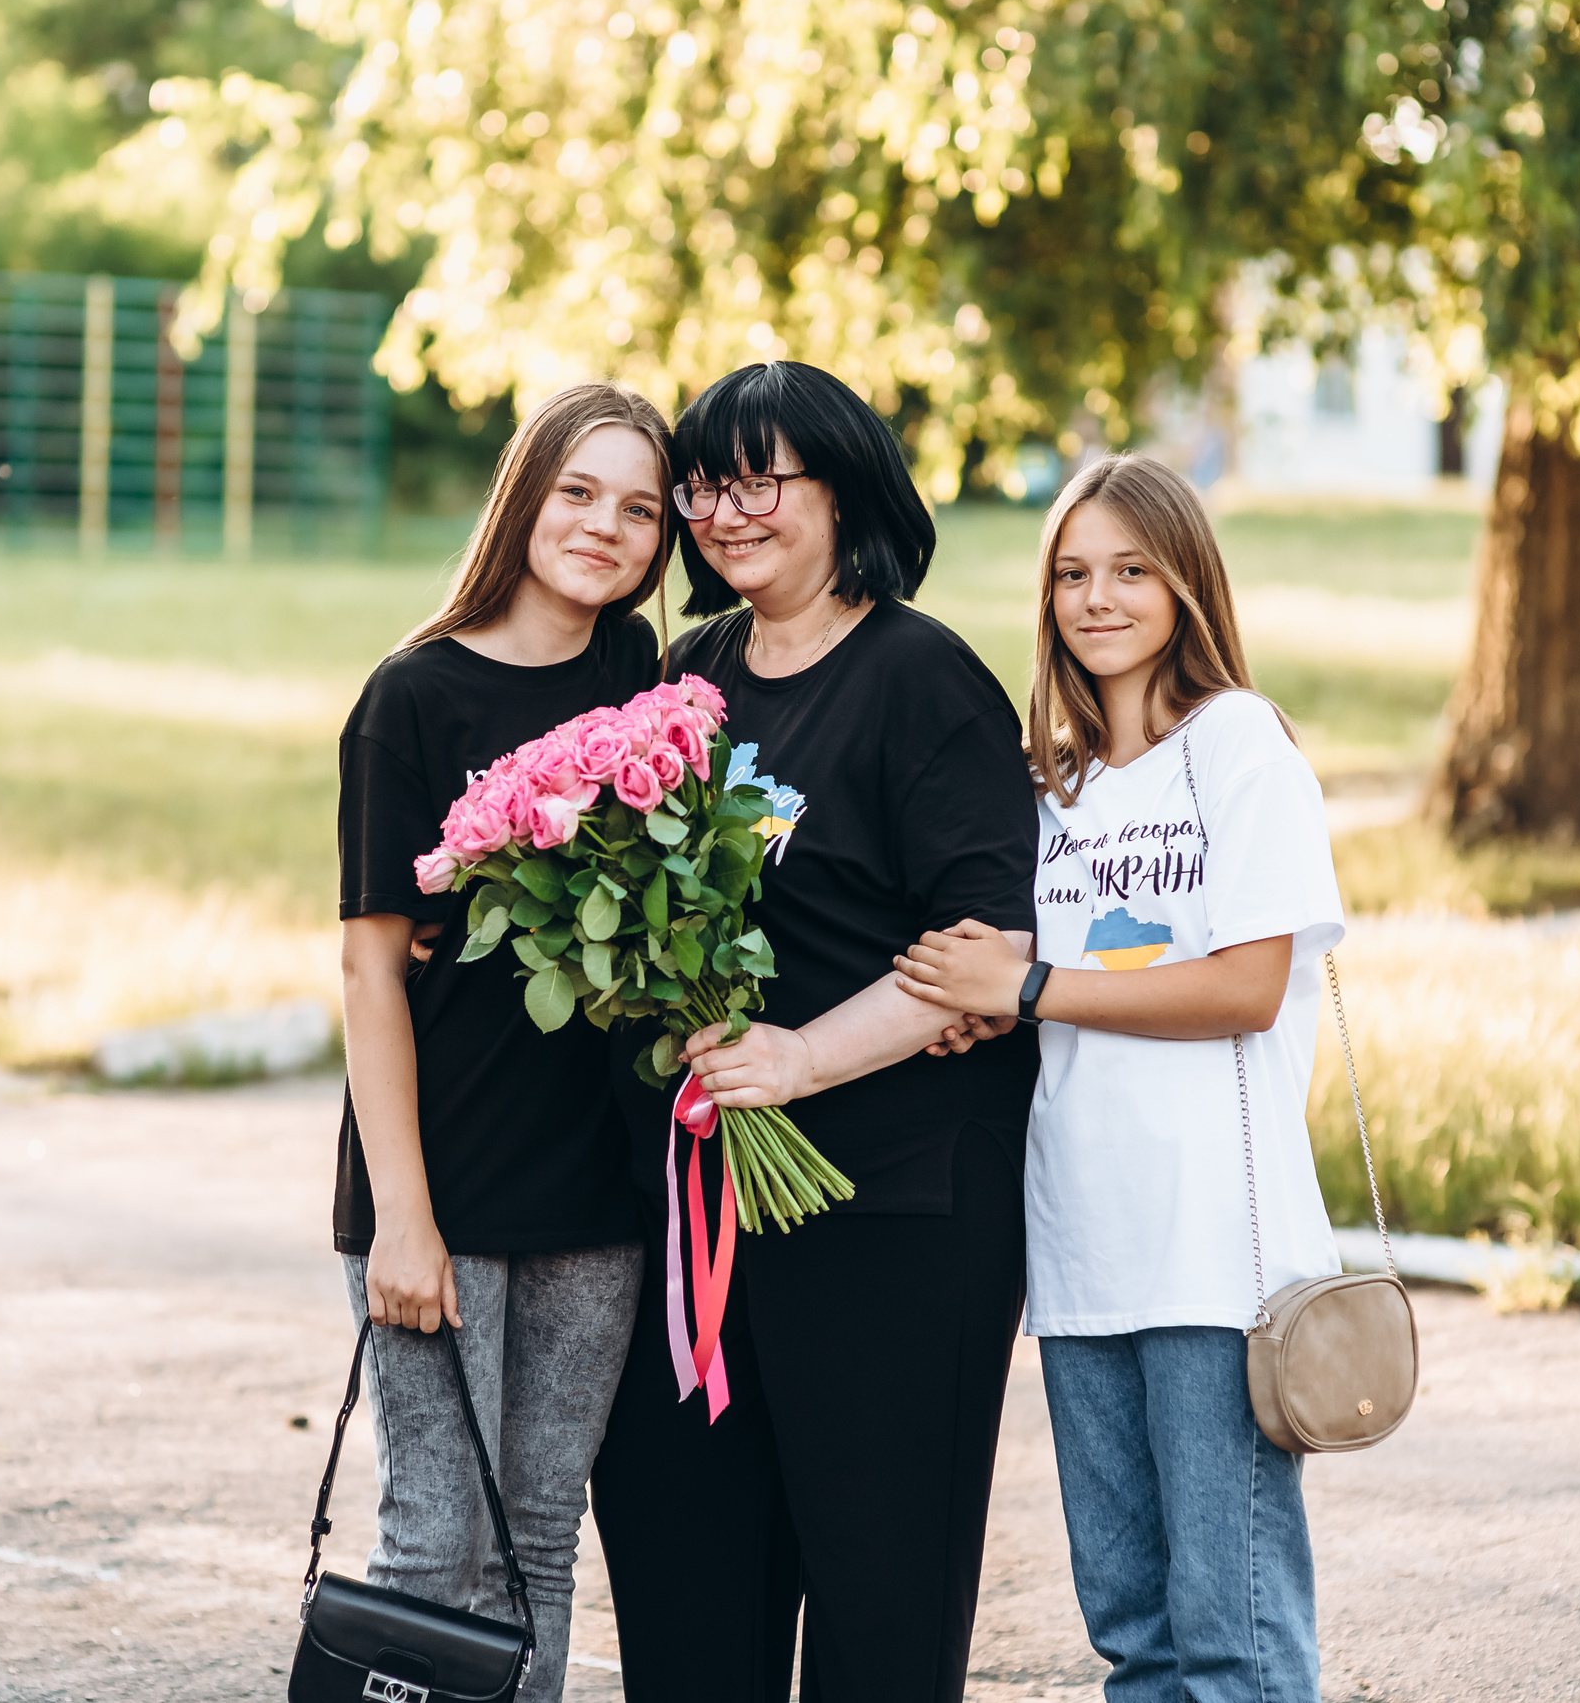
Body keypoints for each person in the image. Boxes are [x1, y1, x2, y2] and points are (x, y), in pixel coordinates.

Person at [586, 360, 1041, 1703]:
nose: (724, 513)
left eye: (758, 480)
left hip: (894, 1223)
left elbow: (986, 951)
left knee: (877, 1627)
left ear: (842, 492)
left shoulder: (922, 678)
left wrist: (797, 1058)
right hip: (701, 1231)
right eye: (704, 484)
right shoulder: (683, 680)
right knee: (687, 1614)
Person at [891, 453, 1344, 1703]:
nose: (1097, 598)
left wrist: (1027, 985)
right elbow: (1037, 976)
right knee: (1134, 1635)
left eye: (1130, 569)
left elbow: (1243, 984)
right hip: (1080, 1252)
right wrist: (979, 1008)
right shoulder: (1052, 782)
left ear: (1186, 582)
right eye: (1072, 573)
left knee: (1230, 1635)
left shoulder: (1239, 745)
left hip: (1215, 1251)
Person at [334, 381, 674, 1703]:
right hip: (445, 1185)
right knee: (435, 1544)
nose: (606, 527)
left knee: (539, 1540)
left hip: (594, 1188)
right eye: (579, 491)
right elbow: (371, 968)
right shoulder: (410, 698)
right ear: (524, 494)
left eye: (640, 508)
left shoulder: (647, 682)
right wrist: (403, 1219)